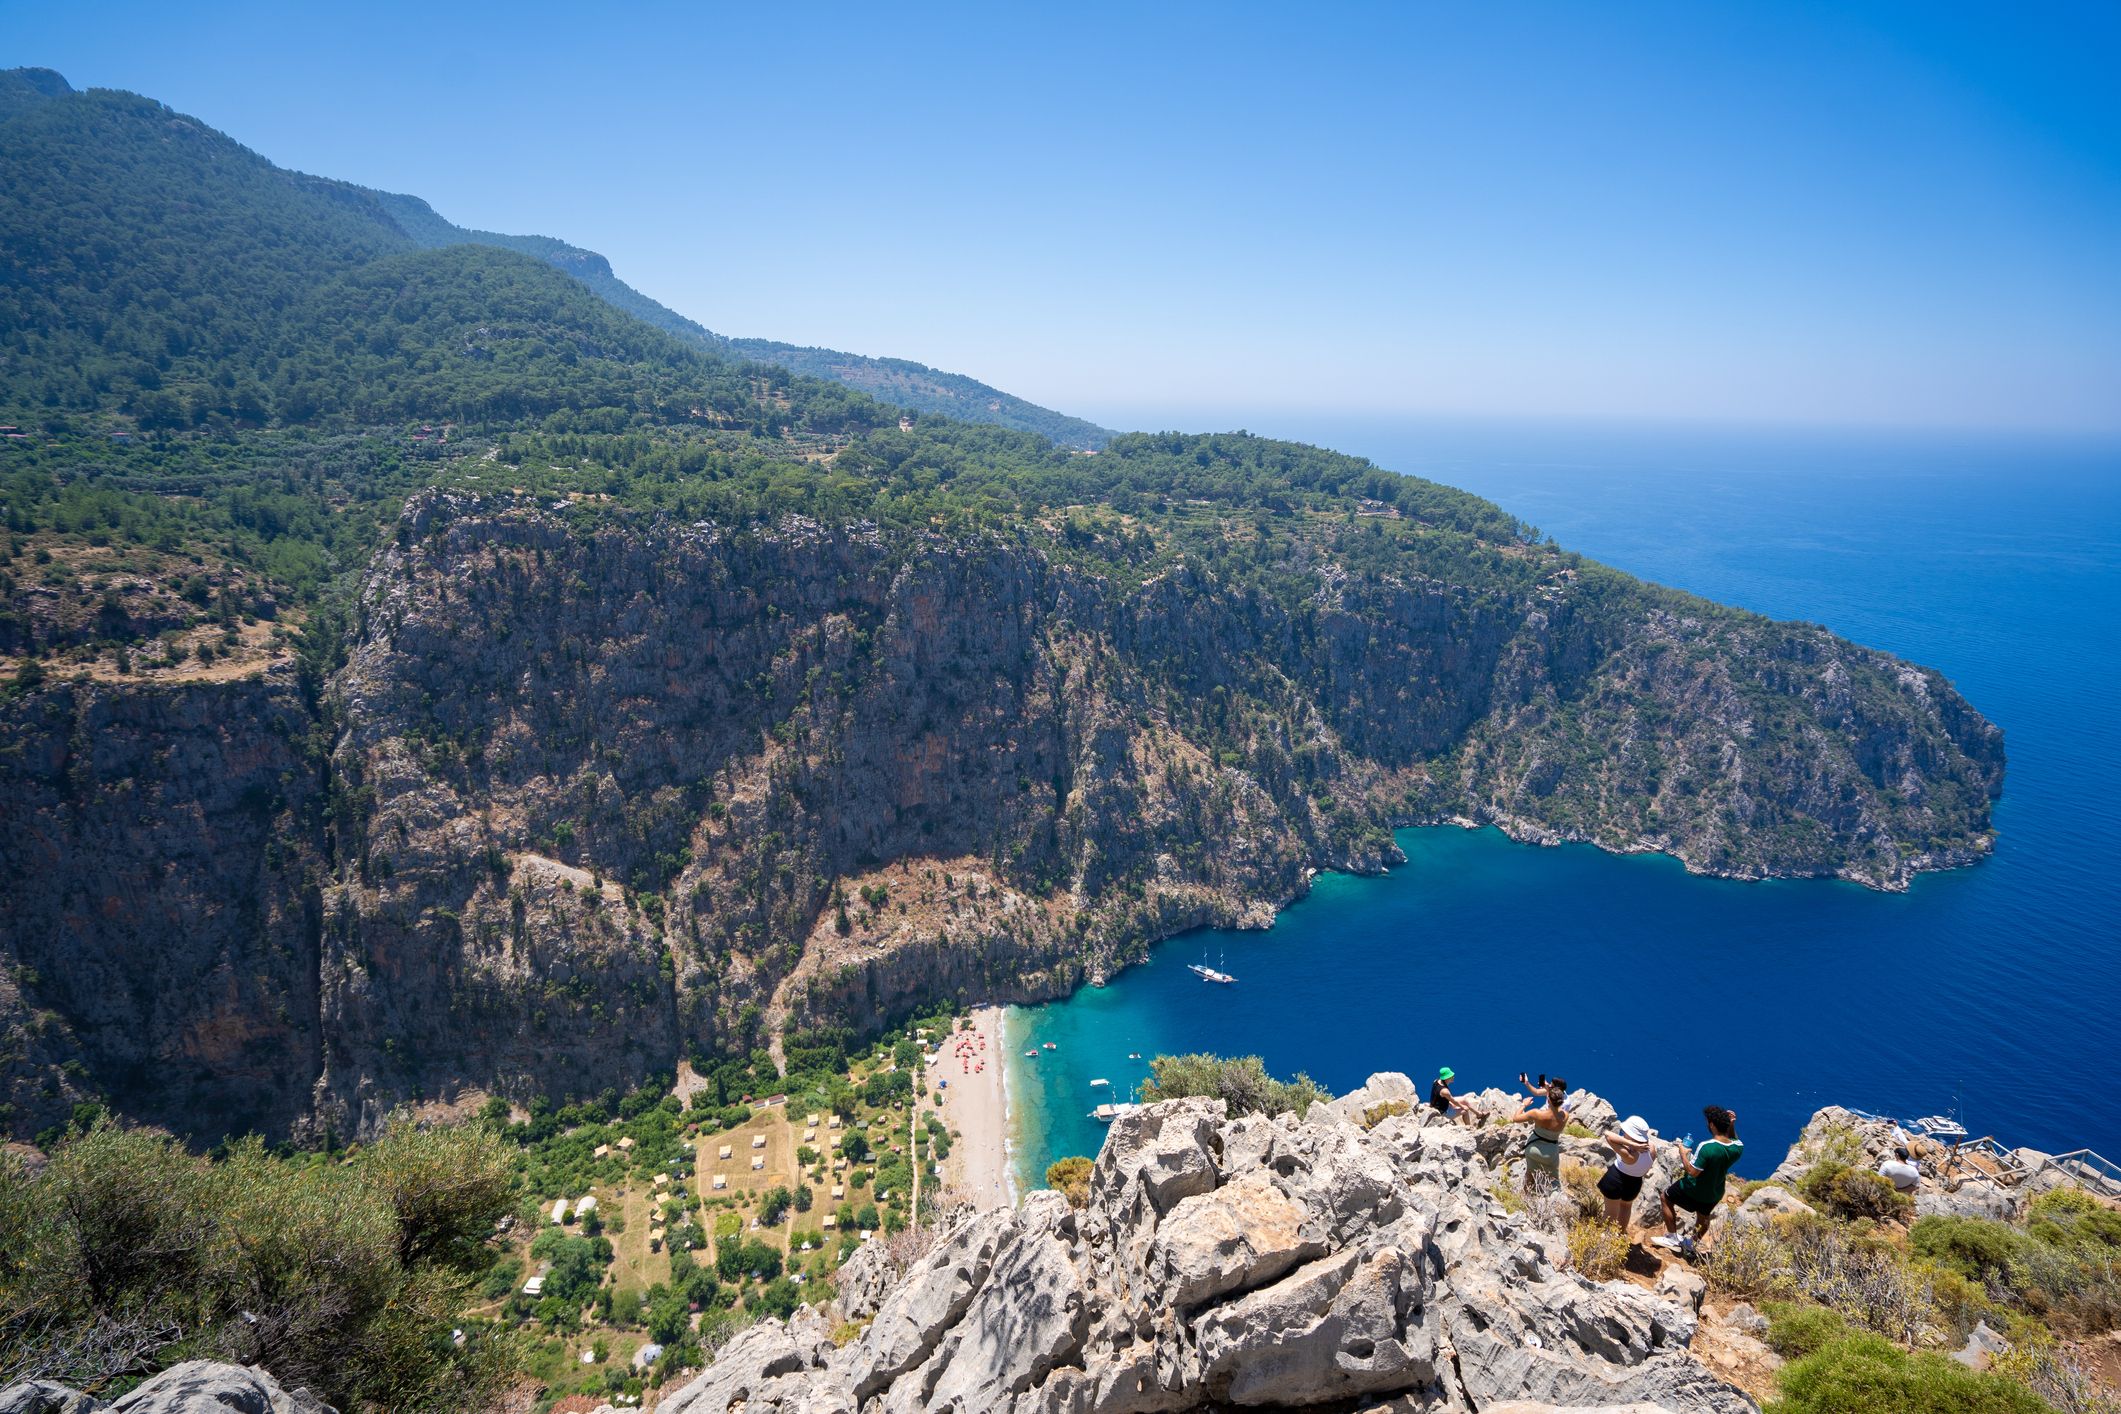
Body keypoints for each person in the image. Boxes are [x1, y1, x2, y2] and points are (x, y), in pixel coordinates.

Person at [1653, 1106, 1743, 1257]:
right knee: (1703, 1217)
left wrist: (1683, 1153)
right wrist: (1732, 1125)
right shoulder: (1737, 1148)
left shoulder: (1707, 1147)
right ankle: (1691, 1244)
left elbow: (1692, 1172)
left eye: (1708, 1122)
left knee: (1665, 1197)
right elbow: (1734, 1140)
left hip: (1693, 1189)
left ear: (1712, 1125)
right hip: (1714, 1193)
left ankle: (1672, 1238)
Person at [1509, 1074, 1570, 1189]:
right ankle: (1554, 1196)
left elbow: (1516, 1118)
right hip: (1551, 1153)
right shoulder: (1565, 1116)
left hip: (1533, 1149)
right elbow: (1556, 1109)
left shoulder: (1537, 1114)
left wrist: (1524, 1105)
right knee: (1554, 1181)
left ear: (1548, 1099)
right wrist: (1546, 1088)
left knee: (1529, 1175)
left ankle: (1526, 1195)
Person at [1598, 1115, 1658, 1229]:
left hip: (1616, 1180)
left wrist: (1632, 1144)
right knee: (1626, 1207)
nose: (1624, 1132)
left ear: (1631, 1134)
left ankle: (1604, 1235)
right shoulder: (1652, 1148)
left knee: (1610, 1212)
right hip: (1635, 1183)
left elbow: (1608, 1134)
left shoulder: (1629, 1154)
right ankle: (1620, 1234)